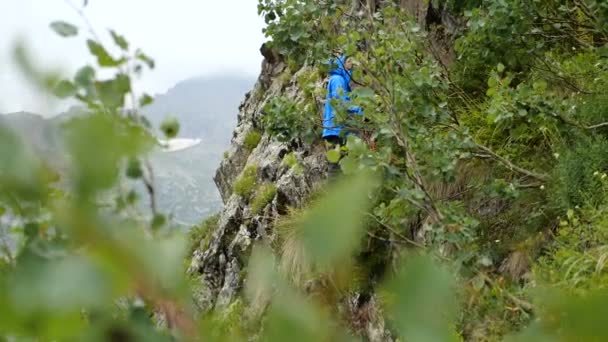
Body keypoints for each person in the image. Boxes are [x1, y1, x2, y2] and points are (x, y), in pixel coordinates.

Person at [322, 55, 363, 177]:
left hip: (336, 129)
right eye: (348, 61)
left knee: (339, 165)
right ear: (341, 64)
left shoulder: (341, 80)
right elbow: (341, 103)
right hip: (338, 130)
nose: (351, 63)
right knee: (336, 168)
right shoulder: (338, 79)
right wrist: (360, 110)